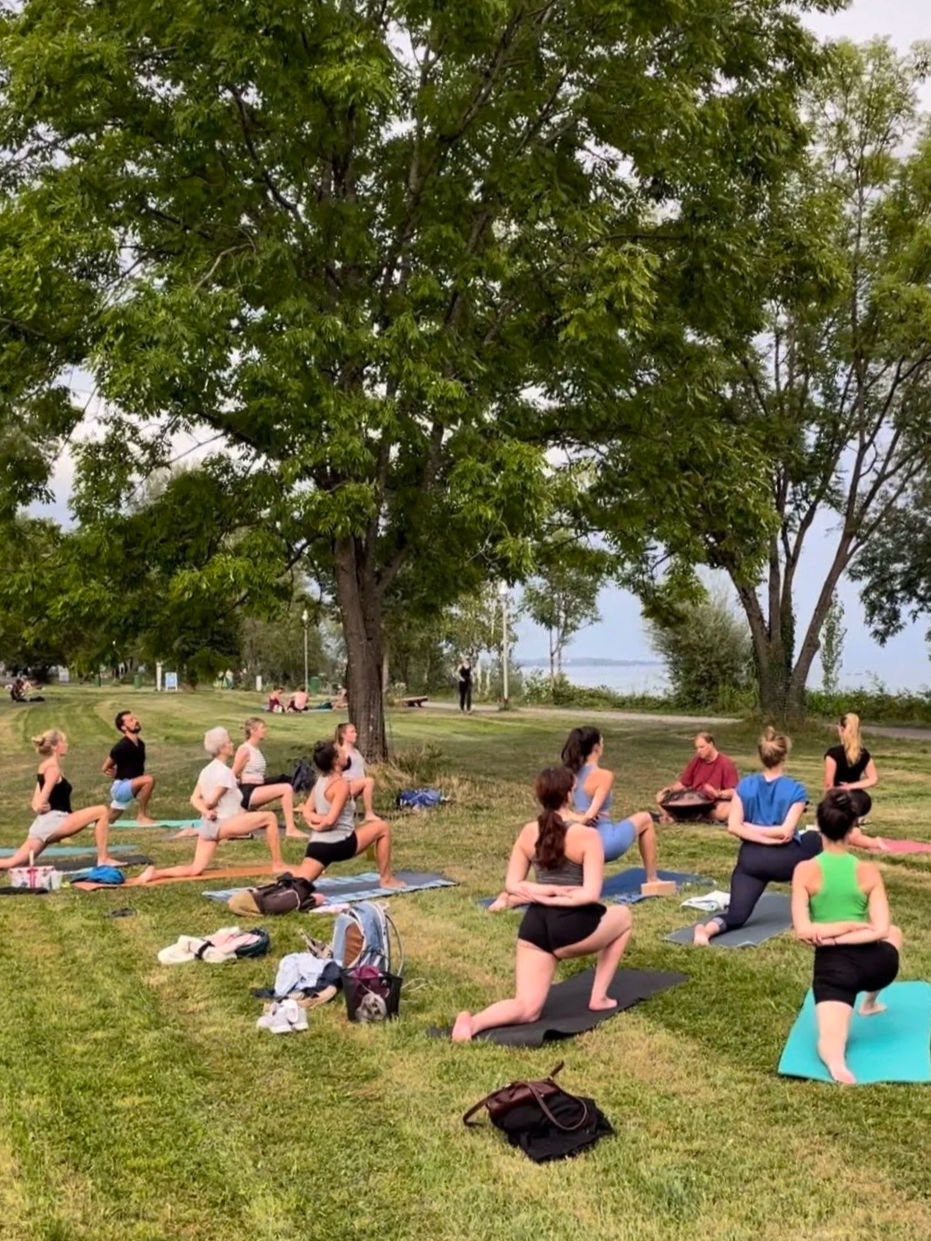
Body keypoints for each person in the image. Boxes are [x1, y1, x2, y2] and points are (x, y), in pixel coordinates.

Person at [452, 766, 633, 1041]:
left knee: (526, 1009)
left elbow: (512, 884)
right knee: (624, 916)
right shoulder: (586, 836)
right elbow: (591, 894)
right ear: (569, 795)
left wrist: (539, 893)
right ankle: (599, 997)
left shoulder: (527, 832)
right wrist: (558, 894)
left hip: (534, 928)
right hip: (573, 928)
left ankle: (472, 1024)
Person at [792, 789, 902, 1084]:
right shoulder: (868, 870)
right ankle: (870, 1003)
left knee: (831, 1042)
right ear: (853, 828)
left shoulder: (804, 870)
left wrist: (832, 936)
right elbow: (880, 930)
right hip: (878, 965)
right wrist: (851, 927)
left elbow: (804, 931)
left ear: (819, 826)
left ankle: (838, 1067)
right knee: (895, 933)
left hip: (833, 969)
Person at [693, 728, 815, 944]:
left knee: (736, 916)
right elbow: (785, 831)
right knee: (817, 841)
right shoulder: (796, 790)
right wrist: (769, 838)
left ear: (761, 756)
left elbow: (734, 826)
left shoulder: (745, 785)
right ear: (784, 756)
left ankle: (706, 930)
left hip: (751, 860)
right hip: (784, 860)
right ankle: (814, 905)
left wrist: (751, 829)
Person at [136, 728, 284, 884]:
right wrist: (208, 808)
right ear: (222, 748)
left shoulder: (206, 771)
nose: (232, 744)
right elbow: (212, 801)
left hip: (208, 826)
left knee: (195, 869)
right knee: (270, 817)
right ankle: (278, 864)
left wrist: (205, 812)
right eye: (229, 742)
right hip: (224, 823)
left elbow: (194, 798)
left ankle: (155, 873)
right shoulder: (225, 773)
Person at [0, 730, 120, 871]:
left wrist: (39, 806)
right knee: (101, 811)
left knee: (15, 863)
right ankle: (103, 858)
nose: (67, 745)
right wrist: (41, 806)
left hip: (45, 824)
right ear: (55, 747)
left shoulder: (45, 766)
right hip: (55, 821)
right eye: (63, 742)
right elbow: (40, 802)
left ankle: (104, 858)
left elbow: (35, 800)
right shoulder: (53, 770)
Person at [293, 740, 403, 888]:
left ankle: (263, 896)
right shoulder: (341, 784)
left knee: (296, 884)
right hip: (341, 844)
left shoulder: (320, 781)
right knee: (383, 828)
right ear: (336, 761)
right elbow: (331, 821)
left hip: (317, 845)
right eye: (341, 751)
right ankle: (386, 879)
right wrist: (322, 824)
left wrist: (316, 822)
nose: (345, 753)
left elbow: (306, 810)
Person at [561, 725, 658, 872]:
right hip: (601, 842)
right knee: (646, 818)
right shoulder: (604, 775)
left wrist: (577, 817)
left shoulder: (571, 774)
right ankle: (652, 878)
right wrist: (583, 818)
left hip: (575, 841)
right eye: (602, 743)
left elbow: (561, 811)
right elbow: (591, 814)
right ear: (596, 748)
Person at [232, 717, 307, 839]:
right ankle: (291, 829)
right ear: (253, 731)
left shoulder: (256, 749)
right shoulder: (245, 750)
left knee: (284, 780)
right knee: (286, 788)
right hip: (247, 791)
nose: (265, 730)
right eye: (263, 728)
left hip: (257, 787)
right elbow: (232, 774)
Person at [656, 732, 739, 823]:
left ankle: (680, 817)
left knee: (730, 808)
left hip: (711, 804)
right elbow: (683, 783)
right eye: (697, 748)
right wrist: (670, 790)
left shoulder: (725, 763)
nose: (698, 751)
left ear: (711, 745)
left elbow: (733, 792)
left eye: (702, 747)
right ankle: (669, 817)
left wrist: (717, 793)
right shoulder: (696, 760)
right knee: (660, 796)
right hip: (693, 801)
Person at [103, 711, 157, 825]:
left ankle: (85, 823)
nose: (136, 721)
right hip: (121, 787)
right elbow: (105, 767)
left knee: (108, 820)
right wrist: (116, 772)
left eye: (135, 718)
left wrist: (120, 771)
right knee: (149, 780)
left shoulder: (141, 744)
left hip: (130, 787)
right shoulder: (121, 746)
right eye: (131, 720)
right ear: (123, 727)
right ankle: (141, 816)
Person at [824, 713, 878, 824]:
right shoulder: (863, 753)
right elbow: (873, 779)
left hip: (841, 800)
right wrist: (851, 786)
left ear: (841, 729)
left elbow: (829, 785)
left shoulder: (833, 754)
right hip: (862, 800)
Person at [335, 722, 377, 820]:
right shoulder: (341, 752)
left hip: (356, 785)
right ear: (343, 735)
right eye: (352, 732)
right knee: (369, 781)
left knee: (367, 780)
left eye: (355, 732)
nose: (356, 734)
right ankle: (369, 813)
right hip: (345, 786)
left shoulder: (356, 752)